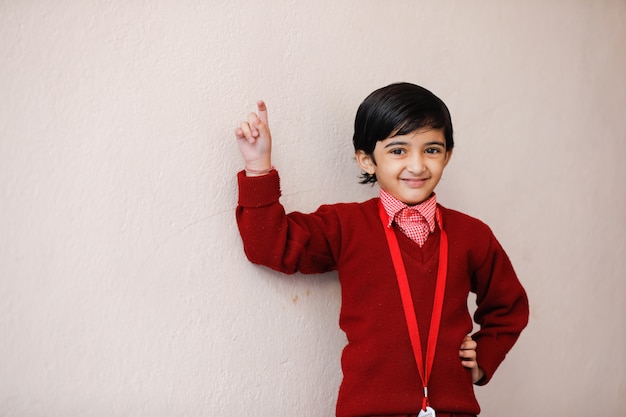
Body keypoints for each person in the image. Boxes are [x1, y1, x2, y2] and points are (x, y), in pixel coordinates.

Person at [234, 82, 529, 417]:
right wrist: (258, 166)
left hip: (453, 410)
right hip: (368, 411)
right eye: (398, 150)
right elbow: (270, 246)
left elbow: (509, 305)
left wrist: (484, 358)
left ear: (448, 155)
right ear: (366, 160)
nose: (417, 166)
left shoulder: (472, 234)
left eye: (431, 150)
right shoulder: (345, 225)